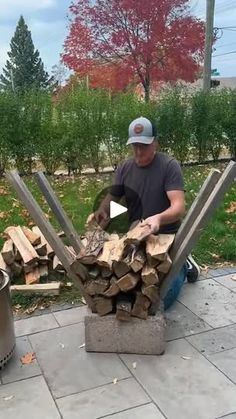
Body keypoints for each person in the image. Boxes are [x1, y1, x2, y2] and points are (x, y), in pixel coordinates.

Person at [87, 116, 199, 310]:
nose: (139, 151)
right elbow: (113, 197)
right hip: (135, 235)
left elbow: (179, 207)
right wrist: (102, 211)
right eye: (135, 145)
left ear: (155, 142)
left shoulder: (169, 166)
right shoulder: (125, 168)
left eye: (144, 145)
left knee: (163, 299)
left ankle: (184, 264)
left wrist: (158, 218)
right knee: (123, 292)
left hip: (164, 238)